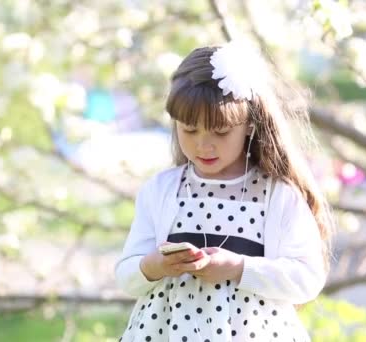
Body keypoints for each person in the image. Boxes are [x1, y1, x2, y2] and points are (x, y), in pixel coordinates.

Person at [114, 40, 333, 342]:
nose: (204, 145)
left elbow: (307, 278)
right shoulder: (162, 190)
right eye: (189, 130)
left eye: (220, 132)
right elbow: (127, 275)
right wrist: (155, 265)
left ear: (249, 125)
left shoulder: (277, 195)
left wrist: (238, 267)